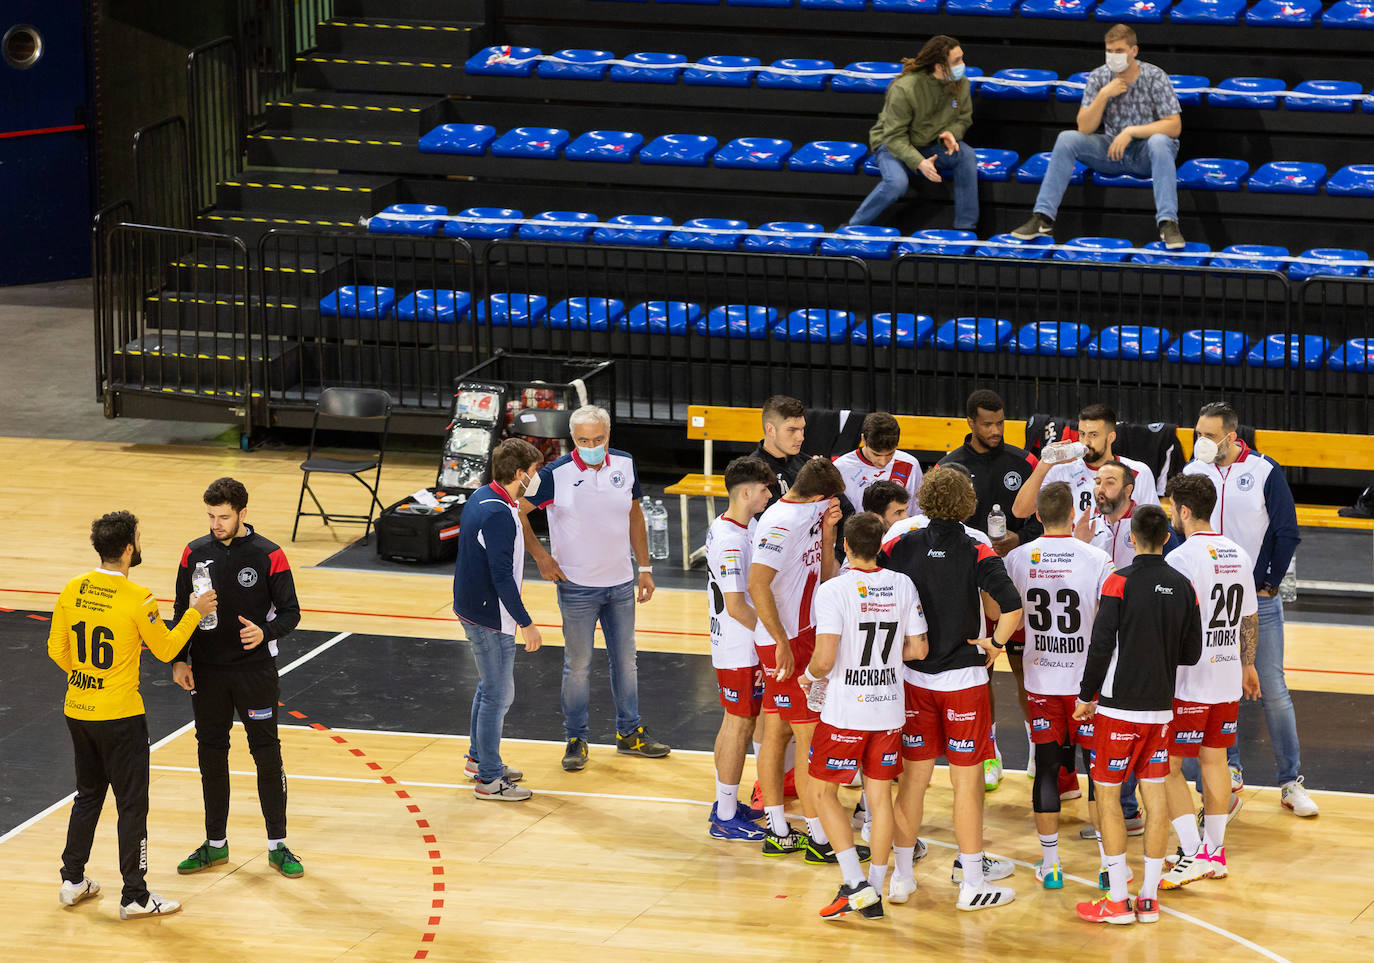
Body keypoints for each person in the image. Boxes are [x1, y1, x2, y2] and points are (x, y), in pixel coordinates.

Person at [49, 511, 217, 920]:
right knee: (132, 805)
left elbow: (57, 650)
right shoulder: (137, 597)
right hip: (120, 717)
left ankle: (72, 881)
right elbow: (165, 649)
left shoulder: (72, 589)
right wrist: (196, 610)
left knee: (88, 794)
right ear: (127, 549)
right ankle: (135, 896)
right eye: (138, 538)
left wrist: (86, 678)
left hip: (79, 710)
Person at [878, 468, 1024, 911]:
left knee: (913, 784)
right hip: (963, 680)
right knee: (967, 784)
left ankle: (902, 878)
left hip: (914, 678)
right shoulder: (977, 546)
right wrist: (996, 645)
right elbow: (1013, 606)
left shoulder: (899, 544)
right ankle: (972, 880)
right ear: (967, 502)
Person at [1182, 401, 1315, 816]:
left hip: (1256, 599)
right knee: (1220, 688)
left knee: (1271, 689)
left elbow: (1287, 531)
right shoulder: (1192, 472)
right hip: (1206, 599)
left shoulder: (1264, 471)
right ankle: (1231, 773)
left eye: (1208, 435)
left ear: (1231, 437)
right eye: (1197, 433)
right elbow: (1176, 530)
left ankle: (1290, 781)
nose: (1200, 441)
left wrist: (1268, 583)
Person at [521, 405, 670, 771]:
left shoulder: (624, 464)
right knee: (578, 666)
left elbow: (634, 514)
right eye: (584, 440)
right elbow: (517, 510)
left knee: (626, 662)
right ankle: (576, 738)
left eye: (598, 439)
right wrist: (540, 556)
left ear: (608, 437)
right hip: (576, 587)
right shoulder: (554, 474)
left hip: (620, 583)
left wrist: (645, 568)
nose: (592, 446)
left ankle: (629, 733)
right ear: (573, 439)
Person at [1073, 505, 1202, 925]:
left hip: (1117, 710)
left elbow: (1100, 645)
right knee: (1155, 797)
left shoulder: (1118, 581)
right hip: (1160, 712)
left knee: (1108, 797)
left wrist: (1085, 695)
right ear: (1167, 537)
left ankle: (1115, 900)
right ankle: (1147, 899)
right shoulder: (1183, 585)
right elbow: (1192, 653)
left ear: (1131, 539)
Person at [171, 477, 303, 880]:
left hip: (254, 672)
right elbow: (179, 609)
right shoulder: (193, 553)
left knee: (266, 753)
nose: (216, 523)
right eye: (211, 516)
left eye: (224, 516)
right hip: (208, 672)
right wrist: (179, 660)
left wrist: (266, 632)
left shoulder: (270, 554)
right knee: (211, 755)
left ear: (243, 513)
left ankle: (277, 845)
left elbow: (291, 612)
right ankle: (215, 845)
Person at [802, 512, 929, 920]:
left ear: (845, 547)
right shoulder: (902, 584)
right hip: (889, 707)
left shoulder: (834, 589)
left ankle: (855, 882)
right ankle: (874, 886)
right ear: (880, 547)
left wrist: (808, 677)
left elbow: (823, 659)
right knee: (879, 799)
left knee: (822, 793)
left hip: (846, 711)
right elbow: (918, 650)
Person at [1004, 483, 1115, 891]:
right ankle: (1108, 864)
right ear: (1074, 514)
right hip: (1086, 684)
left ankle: (1051, 866)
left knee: (1047, 770)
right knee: (1099, 774)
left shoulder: (1017, 558)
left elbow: (1008, 617)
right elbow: (1108, 623)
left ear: (1036, 516)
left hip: (1040, 679)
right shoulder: (1098, 558)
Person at [748, 457, 856, 863]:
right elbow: (757, 584)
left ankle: (778, 830)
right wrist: (780, 641)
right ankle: (818, 838)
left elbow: (825, 578)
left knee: (776, 734)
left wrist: (828, 533)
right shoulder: (780, 522)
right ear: (817, 495)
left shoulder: (809, 510)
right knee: (811, 740)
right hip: (787, 641)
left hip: (802, 633)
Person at [1159, 475, 1260, 890]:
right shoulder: (1238, 553)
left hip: (1189, 683)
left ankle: (1191, 851)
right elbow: (1249, 617)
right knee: (1215, 761)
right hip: (1225, 677)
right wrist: (1247, 664)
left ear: (1183, 511)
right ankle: (1214, 852)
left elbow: (1169, 625)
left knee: (1166, 767)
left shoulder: (1180, 560)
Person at [939, 390, 1043, 789]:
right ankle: (989, 752)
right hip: (969, 580)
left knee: (1024, 666)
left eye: (1000, 423)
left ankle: (1038, 749)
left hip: (1018, 574)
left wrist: (1019, 537)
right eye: (987, 423)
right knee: (980, 667)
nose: (995, 430)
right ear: (970, 423)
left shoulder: (1023, 462)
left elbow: (1039, 516)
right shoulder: (951, 467)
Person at [1011, 23, 1186, 250]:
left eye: (1119, 51)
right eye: (1109, 51)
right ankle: (1042, 218)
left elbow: (1174, 126)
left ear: (1134, 51)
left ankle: (1168, 223)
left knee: (1160, 140)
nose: (1113, 57)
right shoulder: (1099, 77)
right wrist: (1103, 95)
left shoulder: (1155, 76)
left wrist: (1131, 131)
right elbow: (1084, 127)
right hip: (1112, 151)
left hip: (1146, 155)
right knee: (1067, 138)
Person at [455, 439, 546, 801]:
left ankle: (479, 760)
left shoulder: (484, 497)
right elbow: (501, 576)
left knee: (488, 687)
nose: (537, 478)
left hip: (474, 607)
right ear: (520, 475)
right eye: (535, 472)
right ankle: (489, 781)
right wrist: (527, 622)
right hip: (490, 616)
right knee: (498, 694)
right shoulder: (497, 514)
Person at [704, 456, 776, 840]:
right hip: (739, 649)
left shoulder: (728, 525)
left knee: (734, 723)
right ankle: (725, 816)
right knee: (739, 724)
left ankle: (725, 803)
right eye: (764, 489)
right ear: (746, 492)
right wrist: (775, 637)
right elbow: (736, 605)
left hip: (731, 645)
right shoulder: (732, 541)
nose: (768, 494)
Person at [845, 35, 978, 232]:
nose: (963, 65)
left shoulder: (961, 84)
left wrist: (952, 132)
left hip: (931, 143)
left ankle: (965, 229)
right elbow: (893, 137)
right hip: (892, 145)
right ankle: (853, 227)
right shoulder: (905, 88)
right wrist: (919, 162)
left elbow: (963, 118)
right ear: (940, 66)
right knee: (896, 183)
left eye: (962, 58)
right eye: (957, 61)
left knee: (966, 155)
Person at [1011, 404, 1159, 524]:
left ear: (1111, 437)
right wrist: (1044, 465)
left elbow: (1154, 524)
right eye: (1082, 434)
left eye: (1093, 435)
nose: (1086, 442)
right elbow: (1020, 511)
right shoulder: (1060, 470)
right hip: (1073, 557)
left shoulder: (1138, 472)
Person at [832, 412, 923, 521]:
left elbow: (918, 512)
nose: (883, 462)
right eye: (876, 454)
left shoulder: (910, 465)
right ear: (863, 440)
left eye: (890, 454)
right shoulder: (840, 468)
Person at [748, 395, 810, 505]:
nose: (801, 437)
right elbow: (774, 520)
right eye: (792, 430)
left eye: (802, 429)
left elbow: (845, 507)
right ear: (770, 430)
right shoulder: (753, 472)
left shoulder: (806, 462)